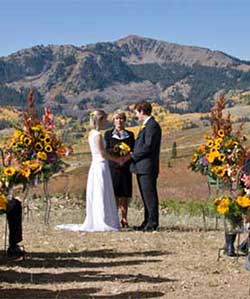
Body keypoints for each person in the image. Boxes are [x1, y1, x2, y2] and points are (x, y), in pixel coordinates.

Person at [56, 110, 120, 232]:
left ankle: (102, 218)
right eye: (105, 119)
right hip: (100, 165)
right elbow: (102, 153)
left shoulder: (92, 134)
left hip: (97, 165)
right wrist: (117, 160)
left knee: (100, 191)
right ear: (100, 120)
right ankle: (102, 220)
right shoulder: (97, 135)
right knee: (101, 191)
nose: (106, 122)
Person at [129, 100, 162, 232]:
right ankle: (147, 221)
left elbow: (148, 146)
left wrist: (133, 155)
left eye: (137, 112)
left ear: (142, 111)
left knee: (150, 195)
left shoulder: (152, 126)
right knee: (145, 195)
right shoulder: (147, 126)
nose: (136, 116)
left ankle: (152, 222)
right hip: (142, 167)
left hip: (147, 166)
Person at [104, 110, 135, 228]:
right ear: (113, 120)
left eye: (121, 118)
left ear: (125, 121)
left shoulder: (130, 135)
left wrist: (125, 158)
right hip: (113, 168)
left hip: (126, 168)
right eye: (117, 118)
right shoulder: (108, 134)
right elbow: (107, 150)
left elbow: (133, 150)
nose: (119, 121)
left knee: (125, 195)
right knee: (114, 194)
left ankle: (124, 218)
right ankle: (114, 218)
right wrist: (117, 151)